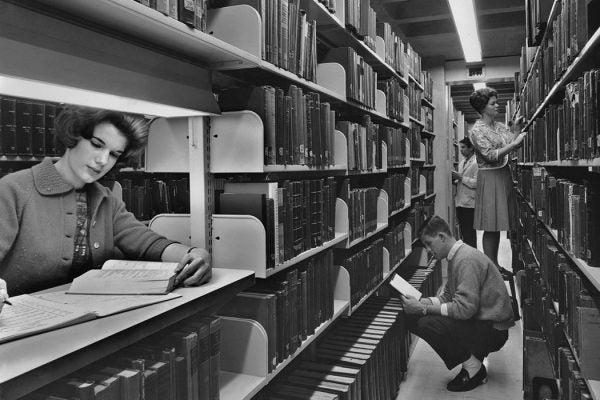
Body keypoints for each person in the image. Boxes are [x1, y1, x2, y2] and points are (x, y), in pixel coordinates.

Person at [0, 105, 211, 310]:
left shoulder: (105, 200)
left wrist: (195, 254)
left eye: (114, 154)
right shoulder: (13, 190)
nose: (102, 161)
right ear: (73, 134)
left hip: (83, 325)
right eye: (97, 144)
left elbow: (149, 244)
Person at [401, 215, 514, 392]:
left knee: (426, 323)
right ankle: (474, 360)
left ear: (441, 237)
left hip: (493, 330)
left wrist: (423, 309)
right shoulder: (457, 256)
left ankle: (474, 369)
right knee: (415, 316)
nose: (429, 250)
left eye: (429, 244)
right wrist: (422, 302)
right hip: (484, 321)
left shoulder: (465, 259)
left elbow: (464, 310)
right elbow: (447, 296)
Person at [468, 87, 526, 268]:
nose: (497, 105)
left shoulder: (499, 126)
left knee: (499, 224)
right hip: (490, 177)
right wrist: (515, 143)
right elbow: (491, 156)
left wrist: (515, 130)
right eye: (493, 103)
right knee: (490, 224)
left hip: (503, 175)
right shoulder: (477, 130)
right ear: (483, 107)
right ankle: (491, 265)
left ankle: (496, 264)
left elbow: (510, 144)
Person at [452, 137, 478, 249]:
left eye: (463, 147)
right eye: (460, 147)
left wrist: (460, 177)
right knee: (464, 234)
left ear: (471, 148)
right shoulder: (463, 162)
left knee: (470, 235)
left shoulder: (477, 162)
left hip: (470, 204)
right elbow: (462, 180)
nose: (461, 150)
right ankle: (467, 258)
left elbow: (477, 183)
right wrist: (456, 180)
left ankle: (472, 260)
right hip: (460, 203)